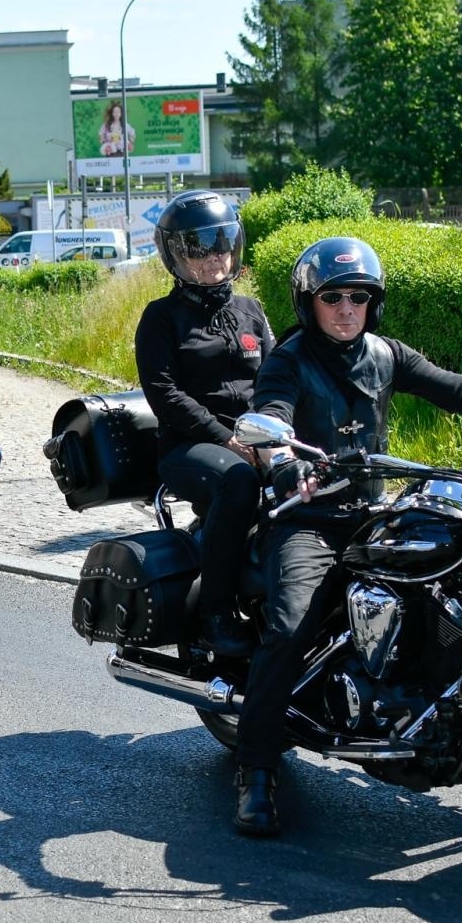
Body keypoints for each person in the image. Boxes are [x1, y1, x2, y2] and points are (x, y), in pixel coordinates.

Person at [232, 236, 462, 837]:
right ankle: (256, 771)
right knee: (291, 625)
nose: (347, 309)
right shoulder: (290, 359)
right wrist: (284, 462)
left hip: (372, 511)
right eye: (333, 297)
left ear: (374, 303)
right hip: (309, 517)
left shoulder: (385, 354)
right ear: (309, 302)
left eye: (359, 297)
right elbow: (270, 416)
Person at [133, 191, 273, 657]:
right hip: (188, 446)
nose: (215, 256)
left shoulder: (250, 310)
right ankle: (216, 615)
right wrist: (226, 438)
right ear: (175, 255)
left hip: (257, 437)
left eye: (222, 244)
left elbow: (276, 380)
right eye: (200, 247)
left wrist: (281, 431)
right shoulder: (161, 317)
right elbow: (164, 395)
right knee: (239, 481)